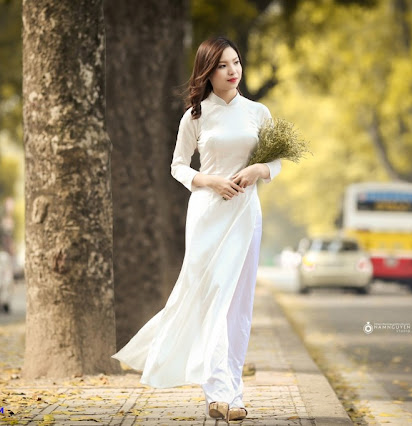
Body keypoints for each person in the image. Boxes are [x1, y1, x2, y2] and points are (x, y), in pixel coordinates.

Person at [111, 36, 281, 423]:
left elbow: (279, 162)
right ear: (208, 71)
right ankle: (220, 393)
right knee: (213, 301)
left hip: (245, 215)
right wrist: (209, 181)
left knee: (238, 306)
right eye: (223, 65)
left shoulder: (258, 112)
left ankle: (231, 393)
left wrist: (259, 170)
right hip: (207, 214)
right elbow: (178, 165)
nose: (233, 71)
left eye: (236, 62)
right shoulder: (196, 116)